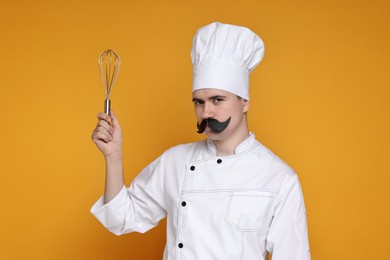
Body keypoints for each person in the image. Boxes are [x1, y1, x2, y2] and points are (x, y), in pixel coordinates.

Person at [91, 22, 311, 260]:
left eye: (218, 100)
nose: (206, 113)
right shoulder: (174, 162)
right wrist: (113, 156)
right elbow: (120, 219)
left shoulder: (278, 178)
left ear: (244, 101)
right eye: (199, 102)